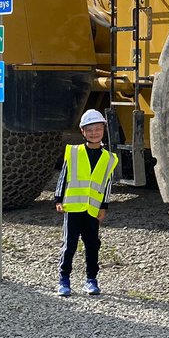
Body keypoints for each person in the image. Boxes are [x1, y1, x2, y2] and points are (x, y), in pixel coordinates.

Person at [53, 109, 119, 296]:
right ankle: (63, 279)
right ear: (82, 132)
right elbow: (63, 177)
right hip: (73, 207)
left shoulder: (109, 158)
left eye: (97, 129)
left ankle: (91, 279)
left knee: (92, 244)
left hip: (93, 209)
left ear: (103, 130)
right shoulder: (73, 152)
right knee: (70, 244)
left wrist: (104, 206)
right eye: (89, 130)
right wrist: (58, 198)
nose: (94, 133)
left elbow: (107, 185)